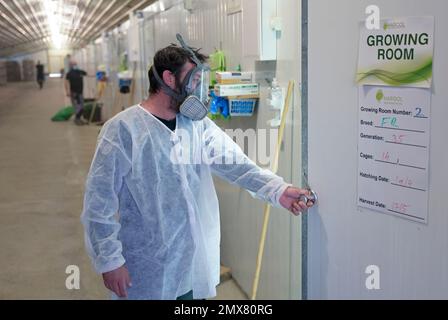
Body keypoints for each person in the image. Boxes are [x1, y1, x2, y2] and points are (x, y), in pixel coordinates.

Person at [81, 35, 315, 300]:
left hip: (192, 265)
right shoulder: (122, 130)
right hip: (145, 271)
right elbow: (99, 202)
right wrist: (111, 261)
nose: (198, 89)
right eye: (193, 81)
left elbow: (237, 164)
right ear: (169, 79)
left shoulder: (196, 125)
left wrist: (278, 190)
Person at [65, 61, 87, 126]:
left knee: (82, 106)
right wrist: (67, 91)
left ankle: (78, 118)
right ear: (70, 66)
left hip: (80, 92)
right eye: (73, 64)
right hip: (74, 93)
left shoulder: (80, 72)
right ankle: (77, 119)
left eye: (75, 64)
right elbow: (66, 82)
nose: (74, 65)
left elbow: (89, 75)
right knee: (77, 106)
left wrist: (100, 75)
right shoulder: (69, 73)